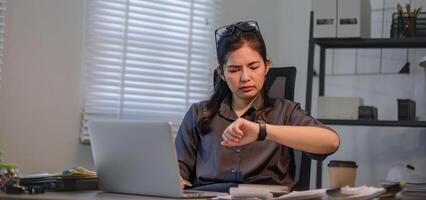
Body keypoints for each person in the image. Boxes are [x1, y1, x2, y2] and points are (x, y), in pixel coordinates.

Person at [175, 21, 339, 192]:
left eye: (253, 67)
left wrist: (263, 131)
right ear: (222, 73)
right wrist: (176, 180)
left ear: (267, 67)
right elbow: (177, 171)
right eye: (234, 70)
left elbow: (331, 142)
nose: (245, 77)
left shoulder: (285, 112)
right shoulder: (199, 114)